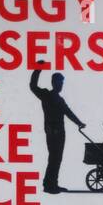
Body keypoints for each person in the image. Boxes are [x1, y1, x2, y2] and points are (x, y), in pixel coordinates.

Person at [29, 62, 86, 193]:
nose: (61, 85)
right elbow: (32, 86)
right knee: (55, 158)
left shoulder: (53, 97)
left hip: (55, 132)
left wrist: (79, 123)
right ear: (54, 83)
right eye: (59, 83)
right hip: (55, 132)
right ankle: (50, 185)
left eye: (62, 83)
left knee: (55, 159)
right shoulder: (48, 96)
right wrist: (37, 69)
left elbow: (69, 112)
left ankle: (50, 184)